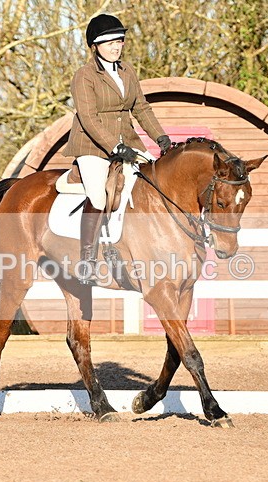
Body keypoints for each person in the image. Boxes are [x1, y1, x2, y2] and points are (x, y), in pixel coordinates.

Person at [62, 14, 171, 284]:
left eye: (119, 41)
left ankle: (129, 247)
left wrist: (160, 137)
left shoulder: (127, 71)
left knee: (151, 184)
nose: (116, 46)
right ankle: (87, 260)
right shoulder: (84, 76)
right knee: (99, 196)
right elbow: (88, 118)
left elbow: (141, 108)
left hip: (129, 144)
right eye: (109, 42)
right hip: (92, 146)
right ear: (95, 46)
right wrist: (114, 146)